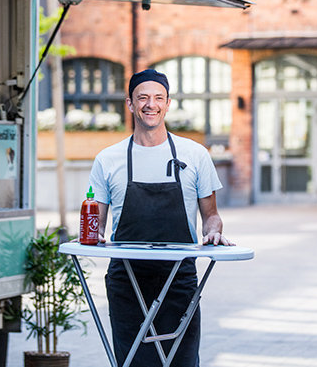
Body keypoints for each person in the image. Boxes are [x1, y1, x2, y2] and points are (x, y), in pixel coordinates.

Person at [88, 68, 234, 367]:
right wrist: (91, 236)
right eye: (142, 98)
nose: (150, 104)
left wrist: (214, 233)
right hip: (126, 278)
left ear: (168, 104)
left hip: (179, 277)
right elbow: (95, 225)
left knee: (181, 359)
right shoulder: (108, 159)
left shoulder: (194, 155)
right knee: (132, 361)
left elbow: (211, 217)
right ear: (130, 104)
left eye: (158, 98)